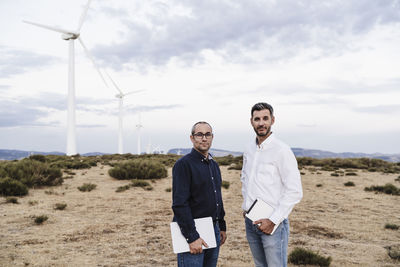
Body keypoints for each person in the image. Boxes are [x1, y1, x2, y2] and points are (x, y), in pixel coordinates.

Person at [241, 102, 303, 267]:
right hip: (251, 221)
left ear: (272, 120)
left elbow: (295, 191)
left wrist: (273, 220)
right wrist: (246, 207)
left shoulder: (282, 150)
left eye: (265, 118)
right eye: (257, 119)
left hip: (273, 224)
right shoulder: (248, 149)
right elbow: (245, 179)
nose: (261, 123)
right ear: (251, 122)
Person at [172, 121, 227, 267]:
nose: (204, 138)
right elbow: (179, 204)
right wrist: (192, 237)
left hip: (213, 229)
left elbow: (217, 197)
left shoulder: (213, 165)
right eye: (199, 134)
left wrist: (221, 226)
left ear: (212, 137)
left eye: (207, 134)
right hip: (194, 231)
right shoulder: (183, 165)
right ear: (192, 138)